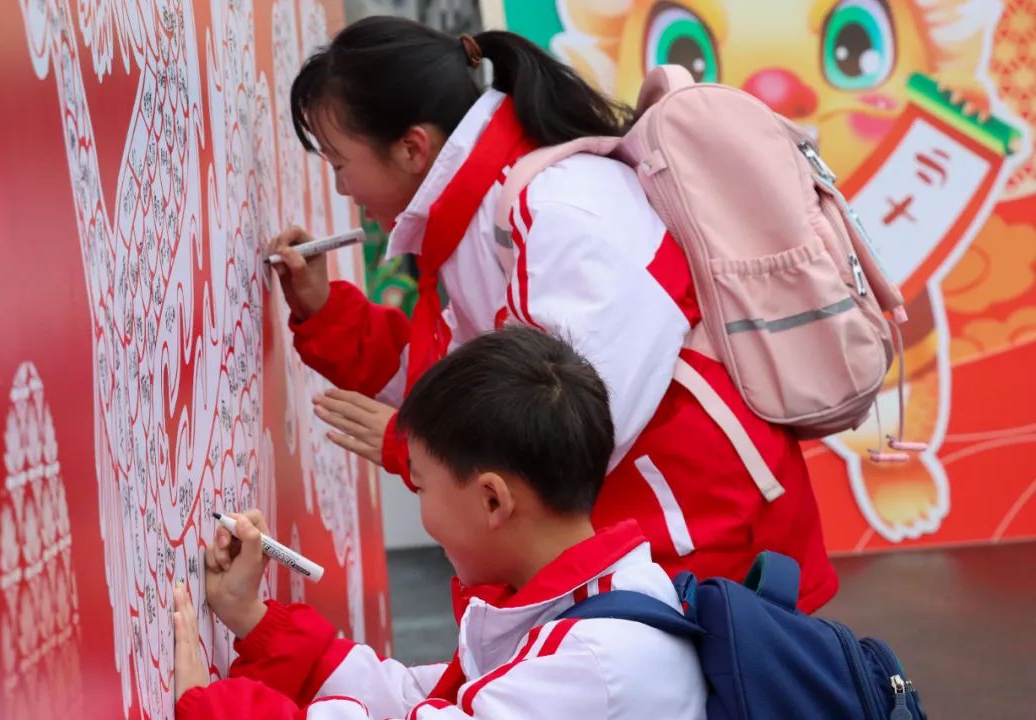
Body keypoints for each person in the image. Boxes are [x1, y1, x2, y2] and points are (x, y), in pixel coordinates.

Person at [271, 15, 836, 611]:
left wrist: (418, 450)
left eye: (338, 164)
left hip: (702, 551)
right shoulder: (488, 210)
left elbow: (557, 429)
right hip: (665, 544)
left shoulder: (556, 209)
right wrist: (324, 311)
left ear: (413, 148)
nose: (341, 189)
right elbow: (446, 375)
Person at [173, 327, 708, 719]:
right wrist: (253, 619)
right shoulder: (581, 606)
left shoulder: (590, 663)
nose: (424, 511)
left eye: (422, 485)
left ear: (493, 501)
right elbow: (418, 700)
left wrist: (208, 708)